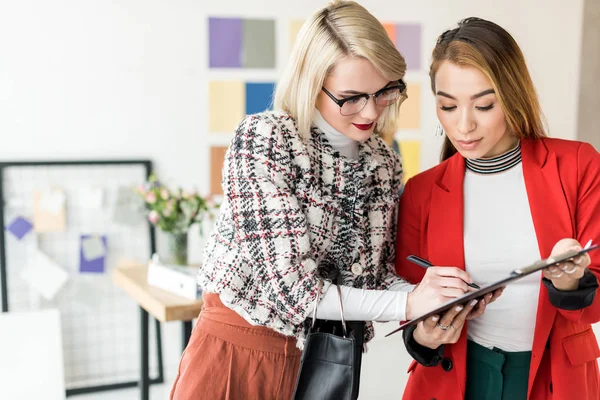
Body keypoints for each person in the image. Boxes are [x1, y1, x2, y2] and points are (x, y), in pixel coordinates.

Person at [169, 2, 485, 399]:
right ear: (310, 82)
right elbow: (295, 292)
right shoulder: (265, 140)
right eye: (351, 97)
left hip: (328, 362)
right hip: (239, 353)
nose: (371, 111)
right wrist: (408, 304)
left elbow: (371, 276)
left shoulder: (382, 161)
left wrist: (431, 294)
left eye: (385, 90)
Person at [396, 17, 600, 400]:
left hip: (554, 380)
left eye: (484, 105)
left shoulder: (578, 166)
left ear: (513, 95)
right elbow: (410, 304)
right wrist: (425, 332)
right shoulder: (422, 192)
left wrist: (569, 279)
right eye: (447, 106)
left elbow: (595, 300)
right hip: (454, 377)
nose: (464, 125)